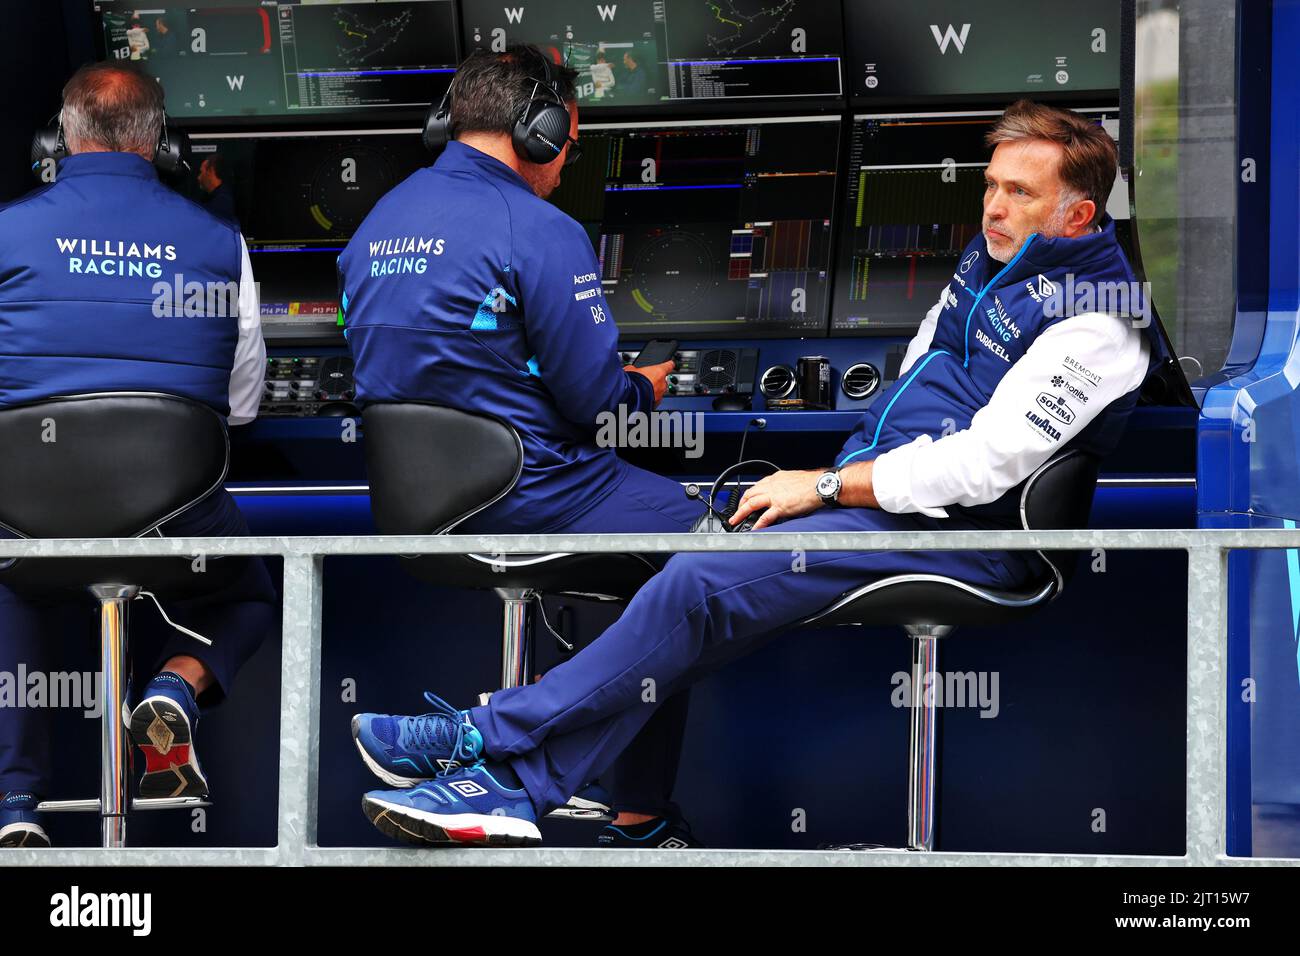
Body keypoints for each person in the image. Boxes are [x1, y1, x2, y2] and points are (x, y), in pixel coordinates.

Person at [353, 99, 1161, 847]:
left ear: (1077, 214)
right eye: (990, 187)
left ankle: (485, 736)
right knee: (695, 590)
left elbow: (986, 467)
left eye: (1018, 193)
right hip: (894, 507)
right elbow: (915, 385)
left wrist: (822, 485)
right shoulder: (986, 270)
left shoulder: (1096, 320)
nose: (991, 207)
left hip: (975, 540)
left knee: (702, 578)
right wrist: (834, 478)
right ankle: (519, 792)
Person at [338, 45, 706, 846]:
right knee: (708, 552)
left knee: (640, 584)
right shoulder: (540, 228)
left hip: (415, 513)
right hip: (533, 495)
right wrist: (648, 384)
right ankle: (628, 815)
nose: (566, 164)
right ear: (537, 130)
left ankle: (516, 753)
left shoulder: (377, 221)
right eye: (568, 144)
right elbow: (595, 403)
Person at [0, 63, 275, 848]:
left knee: (9, 574)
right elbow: (243, 406)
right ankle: (174, 687)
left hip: (27, 518)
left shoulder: (4, 230)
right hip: (173, 521)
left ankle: (16, 806)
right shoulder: (222, 243)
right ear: (161, 144)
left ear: (62, 138)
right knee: (251, 590)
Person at [197, 152, 237, 226]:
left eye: (201, 172)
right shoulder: (213, 197)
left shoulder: (222, 201)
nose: (198, 178)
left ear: (210, 171)